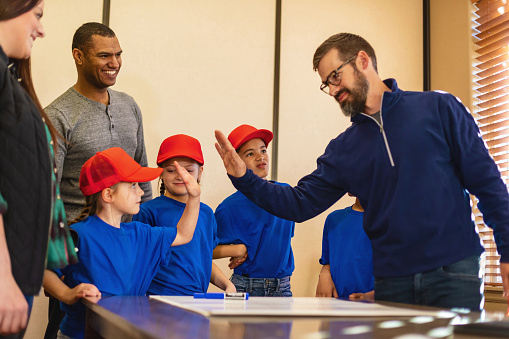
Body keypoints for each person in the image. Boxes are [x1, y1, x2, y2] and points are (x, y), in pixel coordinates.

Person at [215, 33, 509, 310]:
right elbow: (299, 203)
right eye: (325, 84)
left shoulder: (439, 108)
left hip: (455, 272)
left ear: (363, 61)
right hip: (391, 283)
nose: (331, 89)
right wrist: (244, 178)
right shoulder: (344, 149)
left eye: (334, 76)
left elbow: (487, 183)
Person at [44, 22, 152, 338]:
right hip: (80, 255)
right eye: (104, 55)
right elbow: (46, 195)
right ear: (78, 56)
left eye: (118, 54)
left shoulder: (129, 106)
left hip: (128, 254)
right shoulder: (58, 115)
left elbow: (141, 175)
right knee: (70, 330)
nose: (114, 63)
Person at [43, 147, 200, 339]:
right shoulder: (78, 234)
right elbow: (45, 271)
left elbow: (183, 234)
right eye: (133, 185)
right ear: (108, 195)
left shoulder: (141, 234)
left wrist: (194, 197)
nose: (141, 192)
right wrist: (67, 294)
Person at [0, 1, 78, 337]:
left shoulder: (9, 82)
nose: (42, 29)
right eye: (38, 15)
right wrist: (2, 279)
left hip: (20, 271)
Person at [133, 134, 236, 295]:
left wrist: (228, 285)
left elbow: (203, 258)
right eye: (171, 170)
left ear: (200, 172)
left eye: (188, 170)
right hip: (159, 301)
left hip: (198, 301)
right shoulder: (148, 211)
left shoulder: (207, 213)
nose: (180, 175)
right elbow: (139, 262)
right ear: (160, 172)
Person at [214, 125, 295, 297]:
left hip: (282, 288)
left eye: (263, 150)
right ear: (236, 161)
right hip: (245, 287)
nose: (260, 157)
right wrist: (237, 250)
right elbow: (204, 248)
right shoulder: (228, 208)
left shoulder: (286, 195)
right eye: (250, 153)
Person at [315, 196, 374, 300]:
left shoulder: (391, 221)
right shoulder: (333, 219)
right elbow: (328, 262)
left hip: (377, 308)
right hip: (337, 305)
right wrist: (324, 274)